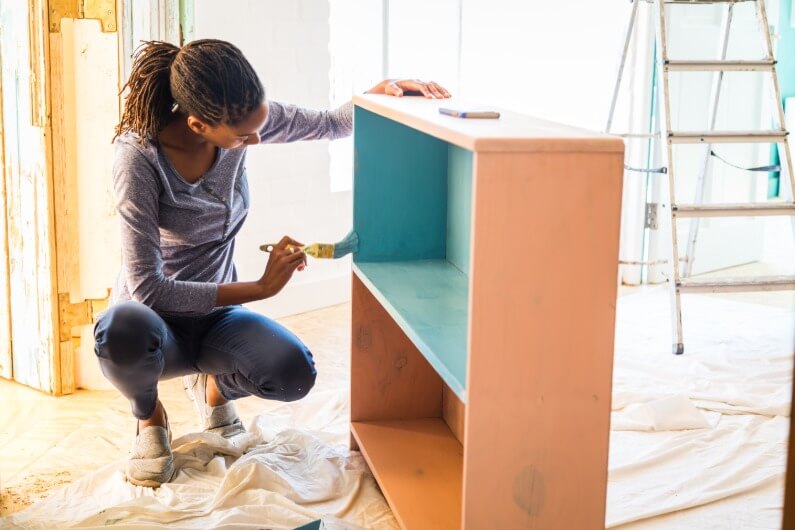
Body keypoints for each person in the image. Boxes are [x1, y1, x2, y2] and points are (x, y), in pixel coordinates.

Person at [94, 38, 451, 487]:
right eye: (243, 136)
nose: (255, 140)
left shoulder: (240, 121)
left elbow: (326, 124)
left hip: (214, 318)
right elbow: (149, 288)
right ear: (198, 124)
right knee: (119, 329)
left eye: (258, 126)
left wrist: (377, 93)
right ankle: (149, 418)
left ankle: (214, 391)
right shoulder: (137, 160)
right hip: (153, 325)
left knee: (293, 372)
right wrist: (261, 289)